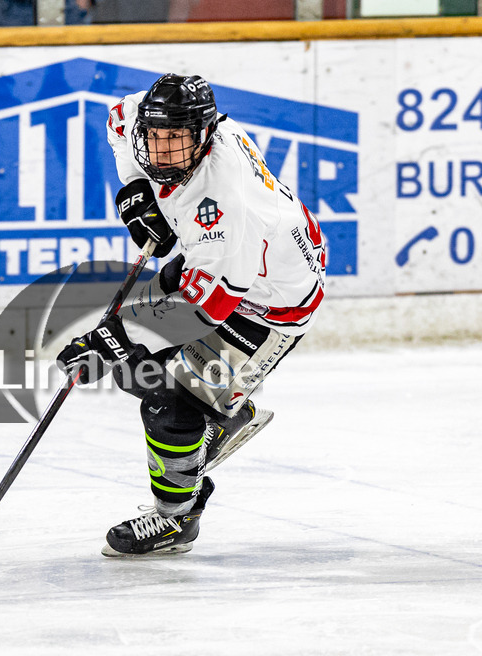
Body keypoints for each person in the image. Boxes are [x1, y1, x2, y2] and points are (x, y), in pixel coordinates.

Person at [57, 74, 326, 557]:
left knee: (167, 401)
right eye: (156, 137)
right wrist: (136, 193)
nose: (162, 151)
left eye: (176, 140)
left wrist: (115, 336)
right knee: (137, 369)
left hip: (268, 304)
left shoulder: (225, 204)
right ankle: (224, 414)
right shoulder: (156, 120)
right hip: (242, 261)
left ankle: (175, 519)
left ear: (204, 135)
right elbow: (119, 115)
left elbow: (208, 308)